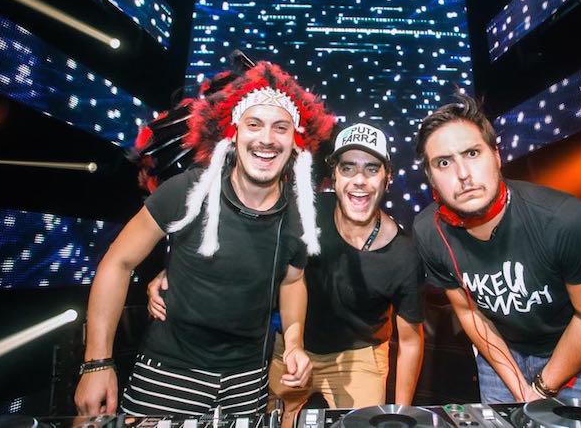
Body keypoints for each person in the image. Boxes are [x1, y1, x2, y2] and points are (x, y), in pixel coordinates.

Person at [74, 62, 335, 416]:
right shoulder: (187, 191)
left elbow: (293, 281)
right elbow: (118, 263)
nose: (267, 139)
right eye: (254, 124)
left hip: (247, 382)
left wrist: (293, 343)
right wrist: (97, 363)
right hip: (168, 375)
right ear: (233, 133)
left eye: (281, 127)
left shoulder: (299, 213)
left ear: (296, 140)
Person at [149, 123, 424, 425]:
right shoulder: (305, 212)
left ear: (387, 177)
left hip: (359, 356)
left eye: (372, 169)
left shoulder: (403, 254)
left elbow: (411, 341)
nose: (359, 180)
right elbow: (248, 244)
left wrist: (403, 415)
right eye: (348, 168)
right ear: (334, 175)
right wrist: (176, 271)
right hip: (292, 345)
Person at [411, 94, 581, 404]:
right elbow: (469, 313)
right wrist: (520, 389)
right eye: (443, 162)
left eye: (472, 153)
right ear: (431, 179)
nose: (463, 174)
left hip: (577, 355)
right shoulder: (428, 231)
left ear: (496, 156)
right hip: (501, 354)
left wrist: (542, 389)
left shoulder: (563, 219)